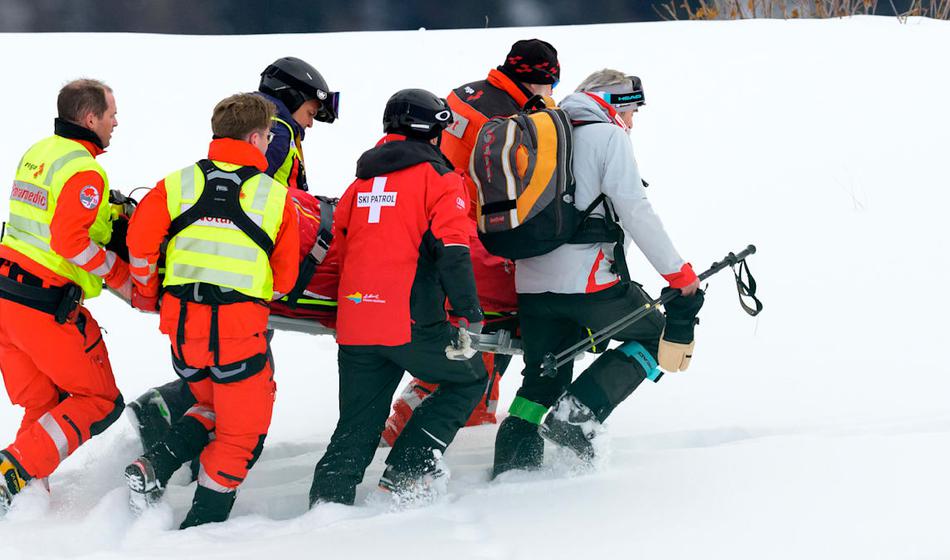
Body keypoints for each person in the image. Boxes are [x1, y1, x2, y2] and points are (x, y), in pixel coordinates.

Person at [492, 69, 703, 477]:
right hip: (589, 282)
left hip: (532, 282)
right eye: (633, 111)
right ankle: (577, 416)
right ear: (615, 103)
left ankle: (513, 469)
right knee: (655, 335)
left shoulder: (540, 133)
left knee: (542, 375)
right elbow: (635, 210)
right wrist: (678, 274)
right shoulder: (608, 137)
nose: (633, 122)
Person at [126, 56, 339, 454]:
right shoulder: (275, 134)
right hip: (245, 271)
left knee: (220, 359)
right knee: (240, 369)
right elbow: (254, 188)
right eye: (310, 111)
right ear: (290, 99)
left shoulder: (267, 128)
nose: (310, 122)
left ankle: (177, 428)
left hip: (228, 267)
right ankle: (175, 422)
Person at [123, 93, 300, 528]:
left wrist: (148, 293)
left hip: (183, 331)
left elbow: (140, 245)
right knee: (242, 433)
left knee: (212, 406)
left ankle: (154, 466)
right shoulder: (275, 198)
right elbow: (285, 280)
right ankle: (202, 528)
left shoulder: (177, 183)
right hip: (237, 334)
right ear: (257, 137)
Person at [309, 89, 486, 505]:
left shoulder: (360, 184)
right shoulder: (441, 180)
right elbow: (454, 249)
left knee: (356, 423)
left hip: (357, 322)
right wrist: (467, 311)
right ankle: (408, 472)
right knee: (469, 378)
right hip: (408, 320)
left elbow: (338, 250)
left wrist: (343, 311)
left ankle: (326, 507)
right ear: (432, 131)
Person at [381, 39, 561, 444]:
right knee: (493, 322)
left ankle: (456, 415)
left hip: (428, 227)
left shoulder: (466, 94)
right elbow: (517, 187)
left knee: (467, 335)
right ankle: (438, 419)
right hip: (469, 236)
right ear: (538, 81)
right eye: (551, 85)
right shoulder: (511, 118)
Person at [0, 79, 128, 513]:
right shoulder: (85, 170)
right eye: (112, 114)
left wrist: (106, 212)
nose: (116, 122)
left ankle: (22, 498)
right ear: (90, 118)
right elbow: (70, 241)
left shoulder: (39, 153)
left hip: (5, 299)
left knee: (44, 405)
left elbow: (45, 216)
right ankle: (10, 470)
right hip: (42, 307)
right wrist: (119, 272)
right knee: (100, 400)